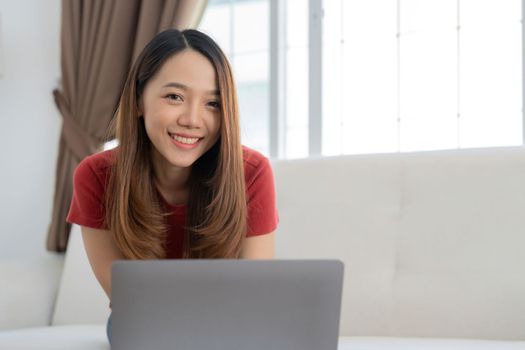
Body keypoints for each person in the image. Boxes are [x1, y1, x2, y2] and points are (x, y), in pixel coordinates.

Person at [65, 28, 279, 345]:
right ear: (138, 100)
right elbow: (127, 297)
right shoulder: (96, 176)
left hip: (229, 323)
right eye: (175, 97)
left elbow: (254, 293)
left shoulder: (252, 172)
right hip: (143, 323)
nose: (193, 120)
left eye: (213, 103)